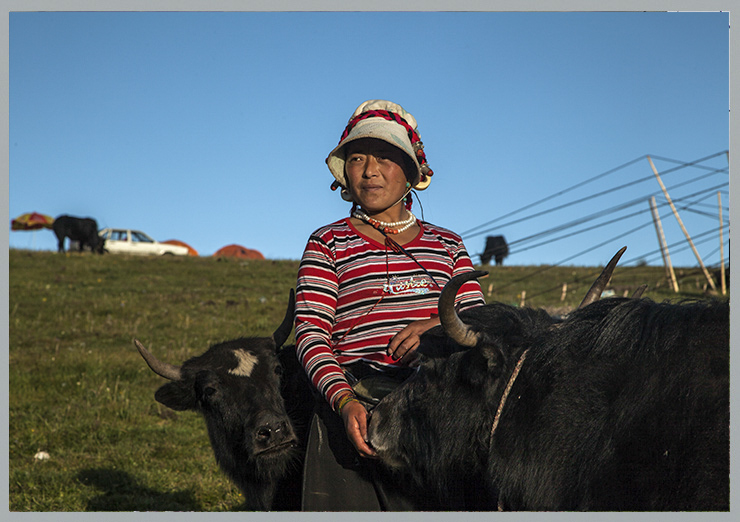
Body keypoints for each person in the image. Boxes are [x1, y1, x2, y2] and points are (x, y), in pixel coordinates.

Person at [295, 99, 485, 511]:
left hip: (440, 422)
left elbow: (478, 323)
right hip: (352, 417)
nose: (370, 170)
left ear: (413, 173)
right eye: (358, 158)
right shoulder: (327, 243)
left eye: (385, 157)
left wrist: (435, 326)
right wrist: (344, 403)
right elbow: (311, 335)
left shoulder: (448, 245)